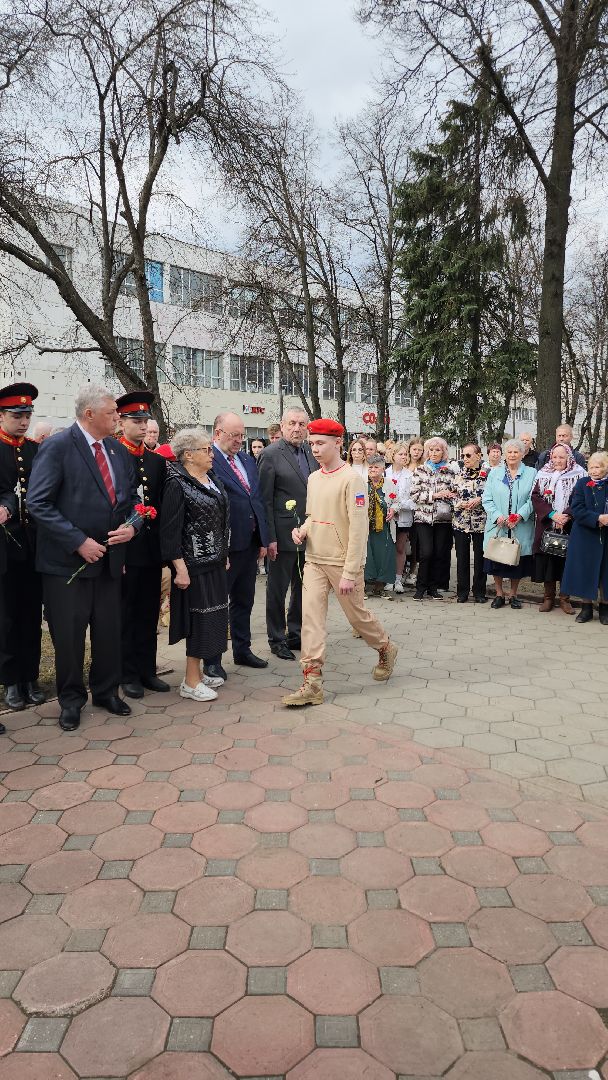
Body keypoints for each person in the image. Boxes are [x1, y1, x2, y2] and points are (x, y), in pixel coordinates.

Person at [27, 386, 141, 730]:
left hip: (108, 561)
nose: (118, 419)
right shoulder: (57, 447)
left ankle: (106, 691)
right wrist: (78, 541)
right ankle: (71, 700)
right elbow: (38, 502)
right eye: (112, 414)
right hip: (68, 565)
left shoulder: (117, 452)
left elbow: (132, 500)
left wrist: (133, 527)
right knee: (70, 636)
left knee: (108, 632)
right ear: (89, 414)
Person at [282, 418, 397, 707]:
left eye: (320, 443)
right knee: (311, 621)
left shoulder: (352, 479)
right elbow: (312, 515)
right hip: (314, 561)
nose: (315, 449)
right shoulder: (313, 478)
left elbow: (359, 528)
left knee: (357, 617)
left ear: (338, 444)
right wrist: (303, 530)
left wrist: (349, 571)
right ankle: (312, 682)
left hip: (343, 563)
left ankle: (385, 647)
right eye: (311, 444)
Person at [160, 429, 229, 699]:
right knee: (198, 620)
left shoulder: (211, 478)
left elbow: (223, 518)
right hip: (193, 565)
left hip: (214, 560)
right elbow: (170, 531)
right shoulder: (177, 483)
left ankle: (199, 674)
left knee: (214, 616)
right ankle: (189, 681)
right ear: (188, 455)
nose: (211, 454)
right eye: (206, 450)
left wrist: (224, 554)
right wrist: (180, 568)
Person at [115, 391, 169, 697]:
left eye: (144, 420)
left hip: (150, 550)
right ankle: (128, 673)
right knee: (127, 613)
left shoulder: (155, 461)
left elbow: (159, 505)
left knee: (149, 612)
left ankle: (148, 669)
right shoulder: (113, 455)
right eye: (135, 420)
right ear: (122, 422)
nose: (141, 426)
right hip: (125, 550)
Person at [209, 411, 269, 677]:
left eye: (241, 435)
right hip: (226, 547)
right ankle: (212, 659)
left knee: (244, 600)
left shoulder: (246, 459)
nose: (239, 440)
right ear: (218, 433)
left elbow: (257, 500)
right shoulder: (208, 461)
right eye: (234, 435)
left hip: (250, 543)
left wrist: (264, 539)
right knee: (218, 604)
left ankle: (242, 650)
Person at [0, 383, 45, 720]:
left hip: (33, 548)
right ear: (2, 416)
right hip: (5, 549)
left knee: (31, 616)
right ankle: (11, 681)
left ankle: (31, 676)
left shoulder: (34, 450)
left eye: (27, 414)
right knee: (7, 618)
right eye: (17, 415)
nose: (23, 420)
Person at [258, 408, 318, 660]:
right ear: (282, 427)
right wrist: (269, 538)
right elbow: (264, 500)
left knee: (303, 587)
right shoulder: (270, 454)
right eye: (292, 423)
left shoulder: (310, 451)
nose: (297, 428)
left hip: (309, 533)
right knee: (277, 589)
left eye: (302, 424)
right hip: (281, 536)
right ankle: (276, 637)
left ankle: (295, 633)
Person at [531, 443, 586, 614]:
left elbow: (581, 497)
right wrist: (552, 514)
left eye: (561, 457)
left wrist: (567, 515)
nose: (557, 460)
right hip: (548, 524)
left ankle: (564, 599)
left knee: (566, 562)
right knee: (548, 562)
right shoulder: (542, 473)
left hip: (569, 525)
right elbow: (535, 496)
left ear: (569, 457)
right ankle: (548, 598)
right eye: (554, 457)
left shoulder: (579, 474)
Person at [482, 439, 536, 610]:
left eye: (516, 452)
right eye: (509, 452)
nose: (512, 455)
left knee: (516, 560)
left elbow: (533, 498)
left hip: (520, 525)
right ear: (504, 454)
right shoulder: (494, 473)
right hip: (499, 525)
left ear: (523, 454)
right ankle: (499, 594)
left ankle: (513, 594)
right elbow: (487, 498)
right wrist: (498, 516)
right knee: (496, 559)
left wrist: (520, 515)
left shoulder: (532, 473)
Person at [561, 451, 608, 624]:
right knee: (584, 571)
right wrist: (597, 518)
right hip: (585, 535)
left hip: (606, 537)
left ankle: (605, 607)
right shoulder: (582, 484)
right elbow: (577, 508)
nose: (595, 471)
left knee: (606, 573)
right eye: (592, 467)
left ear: (605, 468)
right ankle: (586, 607)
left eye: (599, 467)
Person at [410, 437, 458, 601]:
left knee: (439, 553)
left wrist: (450, 495)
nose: (434, 453)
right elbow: (415, 495)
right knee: (426, 553)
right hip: (423, 518)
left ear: (443, 452)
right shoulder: (420, 471)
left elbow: (456, 494)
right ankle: (420, 587)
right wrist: (435, 495)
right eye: (431, 450)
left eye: (437, 450)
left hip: (443, 518)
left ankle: (433, 588)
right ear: (427, 452)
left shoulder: (450, 471)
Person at [452, 443, 488, 603]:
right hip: (461, 522)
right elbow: (451, 495)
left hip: (481, 522)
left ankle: (479, 592)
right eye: (463, 456)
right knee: (462, 558)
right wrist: (460, 503)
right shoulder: (458, 474)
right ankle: (462, 592)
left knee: (480, 558)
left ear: (478, 456)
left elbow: (493, 494)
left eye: (468, 455)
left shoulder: (488, 474)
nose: (465, 459)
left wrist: (480, 499)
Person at [386, 441, 416, 593]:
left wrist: (398, 505)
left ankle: (398, 579)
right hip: (387, 517)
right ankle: (387, 578)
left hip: (403, 516)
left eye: (406, 454)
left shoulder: (410, 475)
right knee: (387, 548)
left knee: (400, 548)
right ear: (393, 455)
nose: (404, 457)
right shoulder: (385, 473)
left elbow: (414, 499)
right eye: (401, 454)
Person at [365, 454, 396, 596]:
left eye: (376, 467)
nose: (372, 470)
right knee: (367, 555)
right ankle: (366, 586)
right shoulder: (362, 483)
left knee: (383, 555)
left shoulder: (390, 483)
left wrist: (393, 509)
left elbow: (397, 501)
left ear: (383, 469)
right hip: (366, 526)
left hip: (385, 527)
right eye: (370, 467)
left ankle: (380, 587)